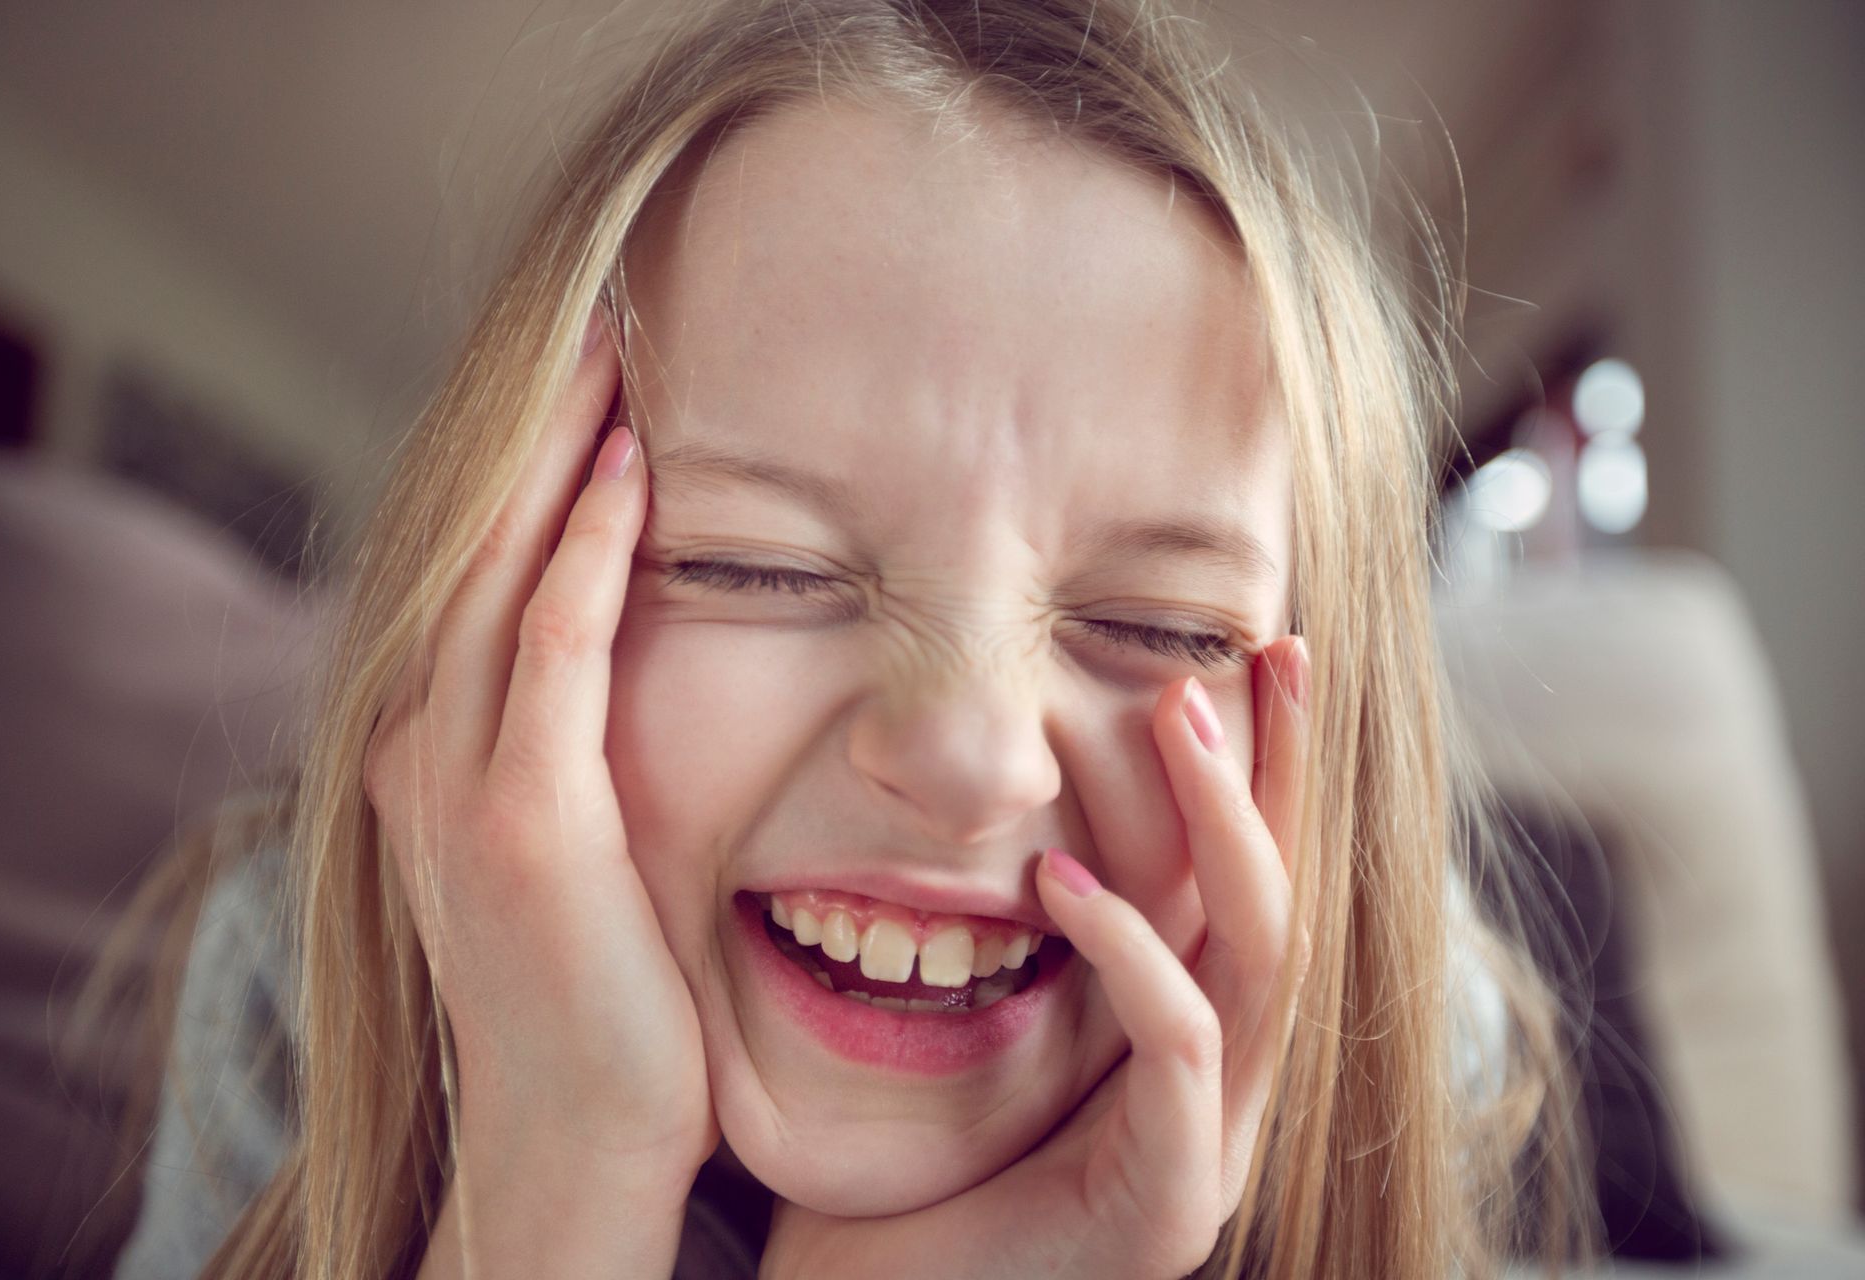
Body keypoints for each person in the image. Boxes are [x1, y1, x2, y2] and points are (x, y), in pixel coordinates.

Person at [109, 0, 1601, 1275]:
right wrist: (545, 1198)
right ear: (502, 586)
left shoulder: (1415, 1037)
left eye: (1157, 623)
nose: (964, 755)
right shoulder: (292, 981)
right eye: (748, 569)